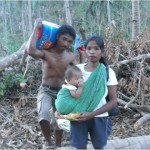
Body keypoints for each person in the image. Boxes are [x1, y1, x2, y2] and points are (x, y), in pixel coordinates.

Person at [26, 18, 84, 149]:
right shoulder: (46, 52)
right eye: (64, 39)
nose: (66, 43)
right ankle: (49, 143)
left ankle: (58, 145)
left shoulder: (69, 56)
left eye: (69, 41)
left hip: (62, 92)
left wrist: (81, 55)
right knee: (43, 117)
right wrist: (36, 28)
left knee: (60, 121)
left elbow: (78, 71)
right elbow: (30, 51)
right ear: (57, 37)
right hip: (45, 90)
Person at [69, 35, 118, 149]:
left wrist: (91, 114)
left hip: (99, 117)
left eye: (96, 48)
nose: (92, 52)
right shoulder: (77, 70)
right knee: (80, 147)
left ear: (102, 51)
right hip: (79, 116)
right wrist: (60, 111)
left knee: (99, 147)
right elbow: (67, 92)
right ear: (85, 51)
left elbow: (113, 101)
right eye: (89, 48)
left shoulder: (107, 72)